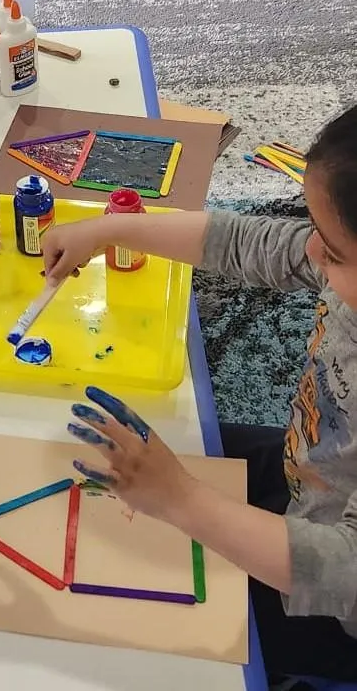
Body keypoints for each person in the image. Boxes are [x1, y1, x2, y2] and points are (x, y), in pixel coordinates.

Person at [41, 105, 357, 686]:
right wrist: (110, 228)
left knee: (156, 636)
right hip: (308, 473)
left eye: (333, 252)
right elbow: (249, 241)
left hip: (332, 612)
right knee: (170, 443)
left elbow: (346, 576)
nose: (312, 253)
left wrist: (181, 498)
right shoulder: (336, 265)